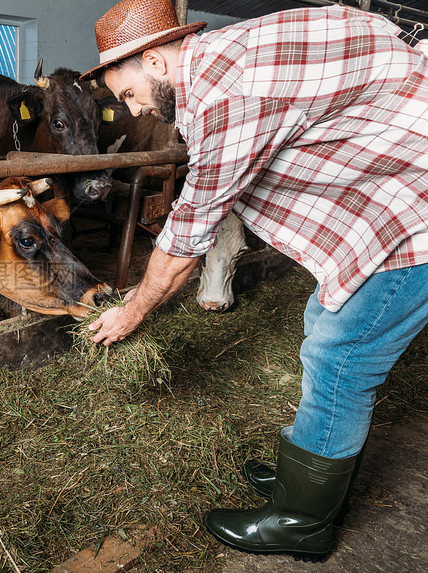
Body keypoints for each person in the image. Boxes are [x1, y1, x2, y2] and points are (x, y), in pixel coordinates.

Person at [83, 0, 428, 561]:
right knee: (325, 320)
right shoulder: (230, 52)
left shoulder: (227, 97)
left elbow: (190, 228)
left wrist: (133, 310)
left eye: (128, 94)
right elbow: (363, 28)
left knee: (341, 357)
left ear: (155, 62)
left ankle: (302, 520)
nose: (136, 111)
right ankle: (310, 474)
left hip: (414, 215)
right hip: (388, 189)